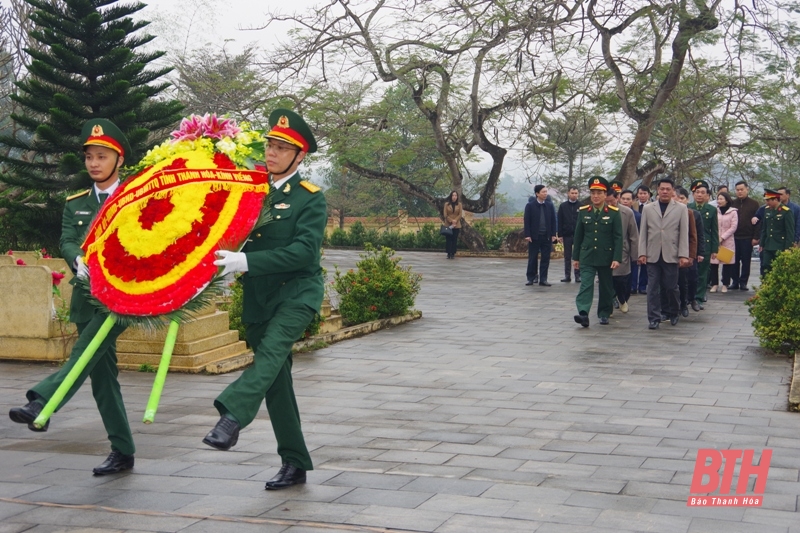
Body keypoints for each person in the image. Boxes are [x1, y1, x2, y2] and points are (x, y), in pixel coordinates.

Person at [204, 109, 327, 490]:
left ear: (299, 155)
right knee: (276, 382)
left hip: (296, 294)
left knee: (272, 355)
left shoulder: (310, 199)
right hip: (258, 300)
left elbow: (304, 253)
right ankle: (295, 462)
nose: (271, 153)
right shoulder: (249, 192)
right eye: (270, 145)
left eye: (281, 148)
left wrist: (246, 261)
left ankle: (231, 418)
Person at [8, 119, 136, 475]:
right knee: (102, 377)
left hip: (122, 300)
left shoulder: (137, 200)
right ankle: (122, 450)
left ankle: (42, 403)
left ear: (119, 159)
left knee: (86, 352)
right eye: (89, 157)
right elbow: (66, 239)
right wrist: (76, 258)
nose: (94, 163)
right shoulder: (76, 202)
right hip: (86, 296)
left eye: (102, 156)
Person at [638, 177, 690, 329]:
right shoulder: (648, 208)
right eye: (662, 189)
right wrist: (642, 253)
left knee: (671, 286)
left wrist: (683, 255)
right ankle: (653, 318)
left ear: (673, 190)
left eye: (668, 189)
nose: (665, 191)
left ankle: (674, 311)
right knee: (652, 287)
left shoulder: (681, 208)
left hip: (671, 253)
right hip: (652, 253)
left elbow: (683, 233)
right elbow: (643, 233)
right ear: (657, 190)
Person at [572, 176, 622, 327]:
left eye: (599, 193)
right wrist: (575, 258)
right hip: (587, 255)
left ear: (605, 195)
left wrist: (616, 258)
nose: (595, 196)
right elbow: (578, 235)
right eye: (593, 192)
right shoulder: (583, 212)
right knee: (586, 284)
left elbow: (618, 237)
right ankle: (583, 313)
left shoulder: (613, 213)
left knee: (606, 286)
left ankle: (604, 313)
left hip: (606, 256)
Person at [606, 185, 638, 314]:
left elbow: (634, 235)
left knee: (621, 279)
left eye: (611, 201)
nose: (609, 204)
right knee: (607, 279)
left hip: (623, 251)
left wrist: (635, 255)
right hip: (605, 251)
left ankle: (622, 298)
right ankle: (610, 300)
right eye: (606, 201)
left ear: (617, 198)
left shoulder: (626, 212)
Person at [688, 180, 719, 304]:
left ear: (707, 195)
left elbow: (714, 230)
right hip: (690, 245)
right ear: (693, 194)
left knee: (702, 273)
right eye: (697, 192)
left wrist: (714, 249)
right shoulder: (688, 208)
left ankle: (699, 297)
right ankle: (689, 296)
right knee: (689, 273)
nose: (699, 195)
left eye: (702, 192)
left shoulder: (711, 209)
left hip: (705, 244)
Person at [676, 187, 704, 314]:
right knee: (680, 279)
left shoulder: (694, 214)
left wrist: (699, 252)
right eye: (678, 198)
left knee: (692, 277)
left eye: (683, 198)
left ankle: (692, 299)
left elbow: (698, 235)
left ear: (687, 200)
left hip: (690, 251)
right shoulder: (673, 213)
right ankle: (682, 304)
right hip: (675, 251)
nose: (680, 201)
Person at [523, 184, 557, 286]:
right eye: (543, 192)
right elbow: (527, 221)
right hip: (534, 237)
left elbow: (553, 221)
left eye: (546, 192)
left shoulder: (549, 205)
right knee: (532, 258)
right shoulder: (530, 206)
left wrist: (553, 234)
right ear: (537, 193)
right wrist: (528, 234)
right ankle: (531, 277)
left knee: (545, 258)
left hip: (546, 236)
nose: (545, 194)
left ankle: (543, 279)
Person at [730, 180, 760, 290]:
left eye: (742, 189)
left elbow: (758, 222)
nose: (740, 192)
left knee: (746, 261)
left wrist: (756, 237)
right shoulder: (732, 203)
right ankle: (735, 281)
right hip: (734, 237)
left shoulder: (754, 204)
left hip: (748, 237)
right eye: (737, 190)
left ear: (747, 189)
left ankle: (743, 282)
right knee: (734, 260)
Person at [759, 189, 796, 275]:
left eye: (768, 200)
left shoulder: (786, 211)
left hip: (780, 245)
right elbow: (765, 228)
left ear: (775, 199)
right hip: (768, 245)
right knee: (766, 265)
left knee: (780, 268)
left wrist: (788, 248)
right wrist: (762, 243)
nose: (767, 202)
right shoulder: (767, 210)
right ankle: (766, 286)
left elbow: (790, 231)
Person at [709, 191, 738, 293]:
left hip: (727, 241)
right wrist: (716, 237)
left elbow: (733, 227)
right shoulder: (714, 211)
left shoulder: (733, 212)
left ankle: (725, 284)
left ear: (727, 200)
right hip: (715, 240)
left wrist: (723, 237)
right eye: (718, 199)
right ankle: (714, 284)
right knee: (713, 263)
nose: (719, 201)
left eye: (721, 199)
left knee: (727, 263)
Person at [557, 186, 581, 282]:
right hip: (567, 234)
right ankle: (567, 275)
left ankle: (578, 275)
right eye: (572, 193)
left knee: (577, 256)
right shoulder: (563, 206)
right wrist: (560, 234)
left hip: (578, 235)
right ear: (568, 193)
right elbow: (560, 221)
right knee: (567, 256)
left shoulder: (581, 206)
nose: (574, 195)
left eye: (576, 193)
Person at [632, 185, 652, 294]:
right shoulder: (633, 205)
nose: (642, 195)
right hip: (635, 236)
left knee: (645, 262)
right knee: (634, 262)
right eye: (640, 193)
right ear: (637, 194)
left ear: (648, 195)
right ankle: (633, 285)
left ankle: (643, 286)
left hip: (647, 237)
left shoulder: (652, 206)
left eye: (645, 193)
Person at [442, 191, 462, 259]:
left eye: (455, 195)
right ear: (451, 196)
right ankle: (448, 253)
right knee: (448, 239)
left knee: (454, 239)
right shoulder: (446, 204)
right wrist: (451, 220)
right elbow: (445, 214)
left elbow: (460, 214)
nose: (454, 197)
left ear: (457, 197)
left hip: (456, 225)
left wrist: (455, 221)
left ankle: (453, 253)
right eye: (453, 195)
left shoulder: (459, 204)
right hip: (448, 224)